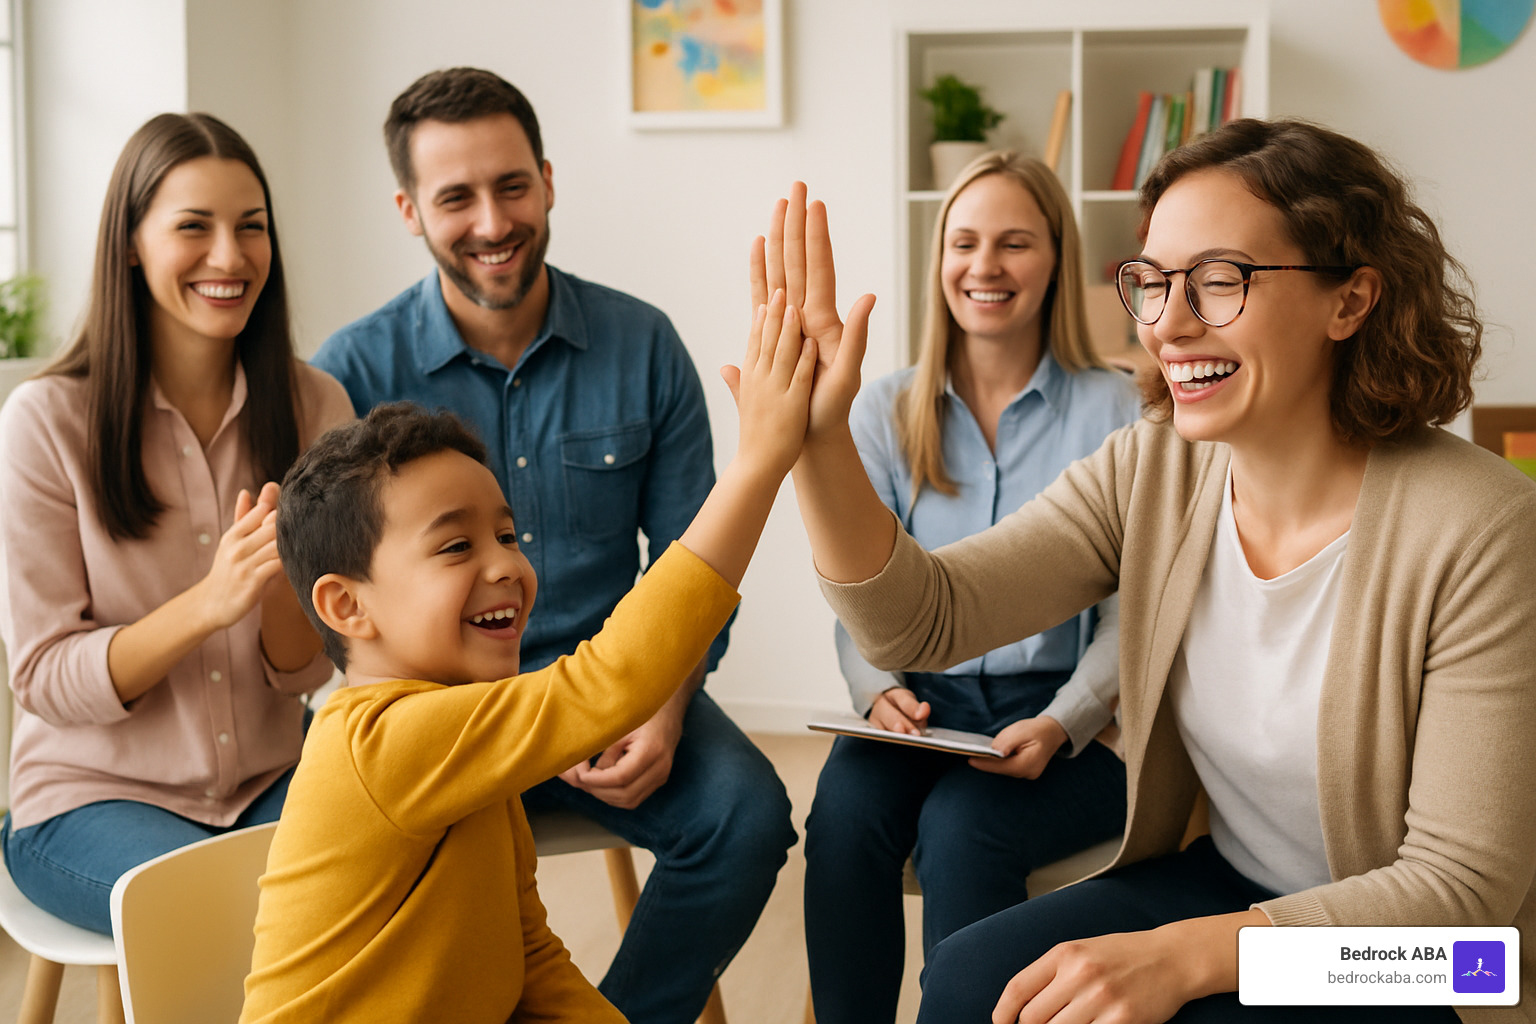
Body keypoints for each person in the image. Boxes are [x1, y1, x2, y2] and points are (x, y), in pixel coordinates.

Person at [767, 118, 1535, 1023]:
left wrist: (1187, 958)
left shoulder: (1483, 525)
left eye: (1218, 280)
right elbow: (921, 622)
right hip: (1237, 884)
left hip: (1424, 962)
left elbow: (1466, 897)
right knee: (976, 982)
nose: (1167, 324)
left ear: (1350, 301)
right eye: (1154, 281)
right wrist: (817, 441)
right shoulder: (1156, 466)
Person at [310, 67, 794, 1023]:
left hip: (619, 693)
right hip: (442, 721)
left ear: (549, 179)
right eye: (456, 196)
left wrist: (663, 697)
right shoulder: (351, 371)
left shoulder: (642, 343)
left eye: (512, 185)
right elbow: (342, 612)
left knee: (748, 818)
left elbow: (695, 565)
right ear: (409, 209)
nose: (492, 221)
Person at [242, 291, 816, 1023]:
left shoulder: (467, 741)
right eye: (456, 546)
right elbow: (608, 682)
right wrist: (760, 462)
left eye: (508, 537)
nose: (505, 566)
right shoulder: (382, 742)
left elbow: (527, 953)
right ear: (347, 606)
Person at [800, 153, 1137, 1024]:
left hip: (1070, 714)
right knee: (842, 818)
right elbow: (856, 585)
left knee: (962, 828)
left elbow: (1140, 614)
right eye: (965, 243)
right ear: (939, 259)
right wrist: (876, 690)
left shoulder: (1122, 411)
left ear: (1056, 258)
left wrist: (1069, 717)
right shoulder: (880, 410)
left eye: (1015, 243)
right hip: (920, 704)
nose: (984, 267)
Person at [0, 113, 354, 934]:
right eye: (193, 227)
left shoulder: (316, 406)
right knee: (237, 920)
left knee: (401, 869)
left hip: (272, 777)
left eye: (251, 227)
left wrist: (276, 594)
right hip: (88, 803)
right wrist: (211, 601)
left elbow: (310, 672)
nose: (230, 257)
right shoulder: (45, 422)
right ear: (130, 243)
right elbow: (45, 677)